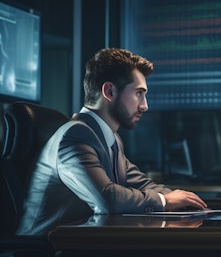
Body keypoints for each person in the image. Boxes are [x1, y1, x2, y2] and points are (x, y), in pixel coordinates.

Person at [16, 48, 207, 236]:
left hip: (78, 245)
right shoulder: (74, 136)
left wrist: (182, 201)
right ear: (109, 91)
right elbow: (106, 199)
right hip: (44, 249)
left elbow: (140, 184)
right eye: (138, 93)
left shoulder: (110, 139)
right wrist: (165, 200)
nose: (145, 106)